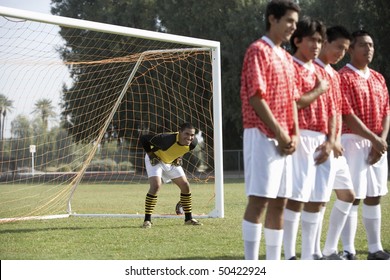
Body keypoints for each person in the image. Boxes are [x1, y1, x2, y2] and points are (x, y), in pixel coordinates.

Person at [240, 0, 300, 260]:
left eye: (295, 23)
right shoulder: (257, 50)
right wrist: (280, 133)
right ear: (272, 19)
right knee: (259, 201)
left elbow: (293, 100)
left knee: (280, 202)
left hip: (285, 138)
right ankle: (252, 266)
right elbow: (256, 96)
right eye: (289, 21)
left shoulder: (287, 57)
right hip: (262, 135)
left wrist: (294, 133)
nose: (293, 27)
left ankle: (274, 266)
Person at [282, 17, 335, 260]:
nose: (317, 45)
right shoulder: (289, 66)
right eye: (312, 40)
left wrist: (331, 140)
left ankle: (309, 257)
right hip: (300, 136)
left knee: (319, 198)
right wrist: (319, 89)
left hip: (323, 140)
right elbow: (294, 102)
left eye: (320, 41)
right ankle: (291, 255)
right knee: (297, 197)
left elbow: (333, 109)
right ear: (297, 40)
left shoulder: (323, 71)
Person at [339, 30, 390, 260]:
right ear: (351, 49)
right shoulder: (343, 77)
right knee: (353, 196)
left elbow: (387, 110)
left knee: (374, 194)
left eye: (371, 45)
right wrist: (374, 139)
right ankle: (349, 250)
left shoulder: (379, 77)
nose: (368, 49)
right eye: (362, 45)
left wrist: (381, 141)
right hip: (353, 142)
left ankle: (374, 248)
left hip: (378, 143)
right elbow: (347, 114)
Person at [313, 26, 356, 260]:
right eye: (338, 46)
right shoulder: (313, 71)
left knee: (348, 195)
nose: (341, 52)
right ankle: (315, 252)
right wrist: (330, 139)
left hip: (336, 146)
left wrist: (337, 139)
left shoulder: (334, 74)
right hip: (321, 144)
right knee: (318, 201)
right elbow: (318, 112)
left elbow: (338, 110)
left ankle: (329, 249)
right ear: (325, 42)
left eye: (345, 49)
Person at [140, 122, 202, 228]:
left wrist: (178, 157)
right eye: (186, 134)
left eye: (192, 135)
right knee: (156, 186)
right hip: (156, 159)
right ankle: (147, 220)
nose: (190, 137)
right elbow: (144, 138)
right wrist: (151, 155)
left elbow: (181, 149)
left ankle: (188, 219)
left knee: (185, 186)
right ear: (180, 132)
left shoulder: (193, 143)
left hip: (170, 162)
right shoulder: (166, 139)